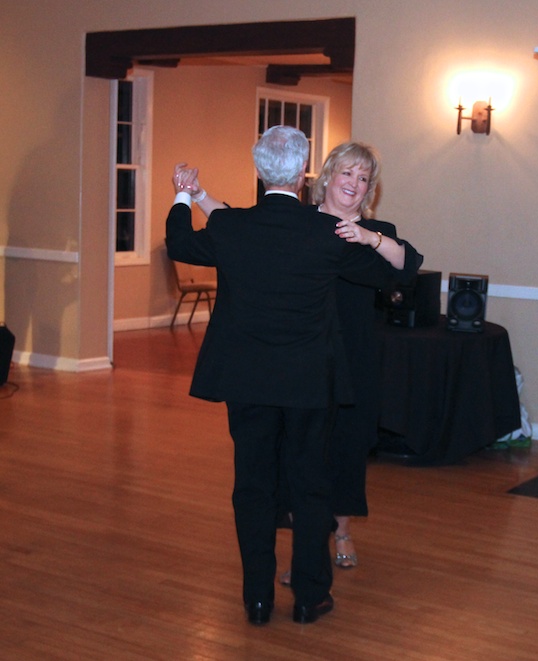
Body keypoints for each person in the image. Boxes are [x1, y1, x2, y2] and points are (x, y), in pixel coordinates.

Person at [165, 126, 421, 627]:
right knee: (310, 487)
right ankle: (309, 597)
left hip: (248, 382)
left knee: (253, 487)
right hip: (310, 384)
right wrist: (371, 237)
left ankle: (257, 599)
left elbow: (179, 241)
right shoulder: (325, 233)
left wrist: (183, 192)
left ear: (260, 172)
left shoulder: (234, 227)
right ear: (306, 176)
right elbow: (401, 270)